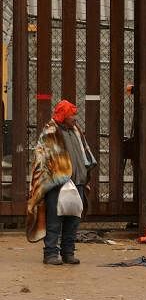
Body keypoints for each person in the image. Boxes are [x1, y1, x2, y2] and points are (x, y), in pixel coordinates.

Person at [27, 99, 97, 265]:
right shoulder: (50, 132)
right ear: (64, 115)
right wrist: (57, 176)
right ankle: (50, 254)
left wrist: (83, 176)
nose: (75, 118)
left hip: (77, 183)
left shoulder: (76, 131)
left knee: (73, 219)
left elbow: (83, 152)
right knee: (54, 220)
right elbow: (42, 158)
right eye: (72, 114)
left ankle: (68, 253)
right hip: (57, 184)